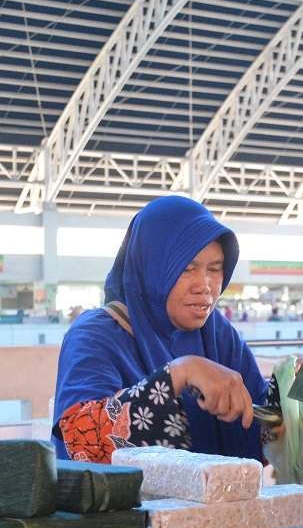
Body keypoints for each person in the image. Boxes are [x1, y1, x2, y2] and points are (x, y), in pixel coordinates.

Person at [52, 196, 280, 463]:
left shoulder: (218, 334)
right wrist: (180, 373)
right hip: (135, 506)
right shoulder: (96, 335)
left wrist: (290, 395)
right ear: (152, 267)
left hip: (221, 505)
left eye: (215, 269)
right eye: (186, 269)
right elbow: (80, 442)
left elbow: (255, 429)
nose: (204, 285)